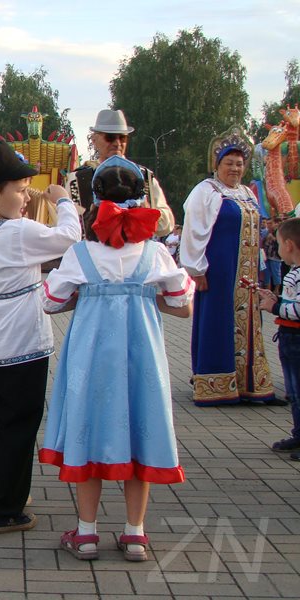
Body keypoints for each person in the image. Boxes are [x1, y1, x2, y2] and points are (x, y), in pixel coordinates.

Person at [39, 155, 193, 562]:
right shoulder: (156, 255)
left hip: (90, 363)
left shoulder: (81, 255)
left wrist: (83, 295)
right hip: (140, 362)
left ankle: (87, 533)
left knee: (88, 434)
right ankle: (135, 533)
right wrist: (149, 296)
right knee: (138, 435)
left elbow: (51, 301)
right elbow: (182, 302)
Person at [0, 141, 81, 534]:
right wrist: (63, 200)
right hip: (21, 344)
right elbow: (69, 238)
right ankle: (5, 508)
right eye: (20, 189)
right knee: (20, 422)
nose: (27, 196)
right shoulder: (16, 231)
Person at [180, 126, 277, 406]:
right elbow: (194, 231)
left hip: (245, 275)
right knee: (218, 322)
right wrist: (196, 269)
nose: (235, 168)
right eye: (229, 163)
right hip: (219, 272)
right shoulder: (206, 191)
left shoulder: (247, 193)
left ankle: (249, 384)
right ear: (217, 164)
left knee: (250, 326)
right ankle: (216, 384)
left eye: (239, 163)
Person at [66, 109, 174, 237]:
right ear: (94, 140)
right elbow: (65, 224)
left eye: (122, 138)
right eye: (110, 137)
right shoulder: (77, 179)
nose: (117, 143)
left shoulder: (145, 177)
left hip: (136, 253)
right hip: (93, 254)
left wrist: (147, 212)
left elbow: (168, 224)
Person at [259, 218, 300, 458]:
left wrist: (274, 308)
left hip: (296, 337)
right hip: (288, 336)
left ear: (290, 245)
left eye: (281, 243)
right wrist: (278, 301)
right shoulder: (293, 272)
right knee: (293, 392)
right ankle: (298, 433)